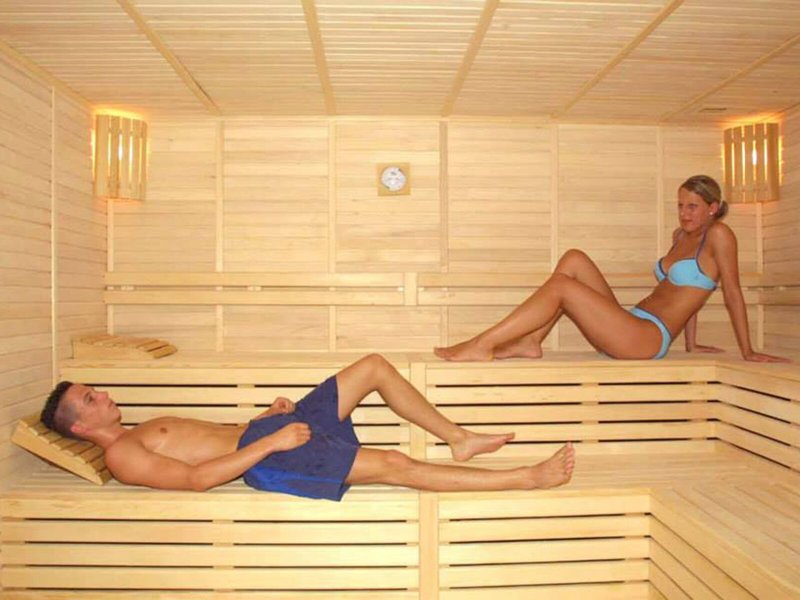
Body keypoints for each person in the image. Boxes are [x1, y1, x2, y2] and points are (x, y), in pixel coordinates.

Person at [41, 354, 575, 500]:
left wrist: (265, 418)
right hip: (267, 460)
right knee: (394, 465)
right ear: (82, 427)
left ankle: (458, 439)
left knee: (373, 367)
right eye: (91, 398)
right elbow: (197, 478)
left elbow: (214, 439)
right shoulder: (122, 456)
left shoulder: (144, 427)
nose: (103, 395)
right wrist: (271, 441)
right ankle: (526, 478)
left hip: (265, 435)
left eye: (95, 389)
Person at [435, 175, 790, 363]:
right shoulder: (680, 235)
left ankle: (483, 344)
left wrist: (748, 350)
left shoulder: (720, 236)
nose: (684, 213)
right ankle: (531, 341)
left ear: (713, 208)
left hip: (647, 340)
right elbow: (687, 293)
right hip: (632, 322)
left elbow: (730, 292)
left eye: (693, 207)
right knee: (574, 258)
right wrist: (692, 343)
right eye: (680, 205)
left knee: (562, 287)